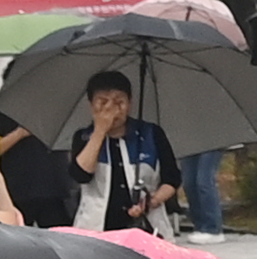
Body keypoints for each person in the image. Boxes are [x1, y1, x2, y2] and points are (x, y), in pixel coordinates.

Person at [65, 73, 185, 236]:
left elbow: (172, 178)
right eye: (102, 102)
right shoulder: (83, 137)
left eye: (119, 102)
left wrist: (152, 201)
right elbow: (81, 175)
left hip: (146, 227)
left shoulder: (151, 133)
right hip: (95, 229)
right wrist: (100, 131)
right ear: (91, 105)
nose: (111, 109)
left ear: (130, 103)